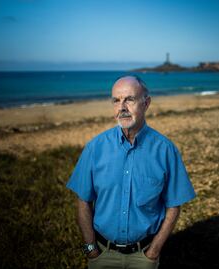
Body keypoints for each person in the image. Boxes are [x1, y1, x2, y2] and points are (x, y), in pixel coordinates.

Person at [66, 75, 196, 269]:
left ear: (146, 103)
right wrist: (90, 250)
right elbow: (83, 201)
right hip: (102, 254)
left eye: (129, 99)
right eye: (116, 101)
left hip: (144, 257)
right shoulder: (95, 148)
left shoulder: (165, 150)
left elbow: (174, 206)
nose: (122, 107)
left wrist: (153, 252)